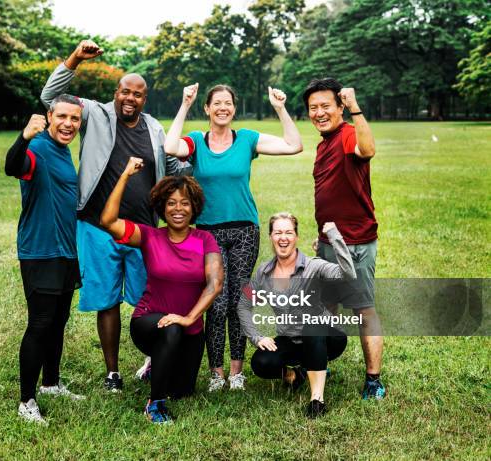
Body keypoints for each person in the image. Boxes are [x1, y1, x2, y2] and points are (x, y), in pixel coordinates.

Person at [40, 40, 186, 392]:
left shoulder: (154, 128)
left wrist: (200, 161)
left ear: (143, 99)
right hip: (96, 225)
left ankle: (152, 360)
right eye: (124, 92)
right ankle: (112, 374)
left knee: (146, 299)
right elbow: (50, 97)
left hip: (141, 230)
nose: (129, 99)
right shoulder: (94, 113)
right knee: (106, 300)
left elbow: (171, 164)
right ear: (115, 93)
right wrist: (75, 58)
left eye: (137, 94)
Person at [163, 83, 303, 391]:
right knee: (216, 301)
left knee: (239, 300)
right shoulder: (197, 141)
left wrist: (280, 108)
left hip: (244, 231)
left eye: (228, 103)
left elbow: (294, 145)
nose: (223, 108)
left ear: (233, 109)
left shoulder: (247, 139)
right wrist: (185, 104)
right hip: (208, 232)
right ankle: (217, 374)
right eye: (217, 103)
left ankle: (237, 372)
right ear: (208, 109)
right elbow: (170, 147)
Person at [99, 157, 223, 423]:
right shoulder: (149, 236)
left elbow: (215, 284)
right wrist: (124, 175)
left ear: (194, 207)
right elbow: (108, 221)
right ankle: (154, 405)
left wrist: (189, 318)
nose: (178, 209)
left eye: (185, 203)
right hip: (149, 321)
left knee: (183, 391)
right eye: (171, 203)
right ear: (161, 207)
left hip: (190, 329)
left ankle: (157, 365)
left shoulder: (205, 239)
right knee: (171, 329)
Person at [4, 94, 85, 425]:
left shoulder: (63, 152)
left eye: (75, 119)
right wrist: (23, 137)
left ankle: (50, 383)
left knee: (59, 320)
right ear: (49, 117)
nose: (68, 124)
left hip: (66, 250)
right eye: (62, 116)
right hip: (41, 250)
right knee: (40, 323)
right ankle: (27, 400)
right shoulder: (37, 147)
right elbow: (13, 167)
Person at [303, 77, 385, 399]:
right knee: (327, 306)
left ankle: (373, 380)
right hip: (329, 242)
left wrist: (356, 110)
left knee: (363, 309)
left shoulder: (349, 133)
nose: (319, 113)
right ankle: (322, 366)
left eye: (326, 106)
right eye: (313, 108)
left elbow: (368, 149)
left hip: (355, 243)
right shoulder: (324, 142)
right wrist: (322, 234)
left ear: (339, 106)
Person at [237, 213, 355, 418]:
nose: (283, 238)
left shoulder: (313, 265)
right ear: (271, 237)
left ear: (296, 237)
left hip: (327, 337)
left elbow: (348, 274)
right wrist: (256, 337)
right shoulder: (263, 274)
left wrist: (335, 237)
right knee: (261, 363)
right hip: (291, 338)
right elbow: (244, 305)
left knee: (312, 325)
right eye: (278, 232)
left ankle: (317, 400)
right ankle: (295, 374)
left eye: (288, 232)